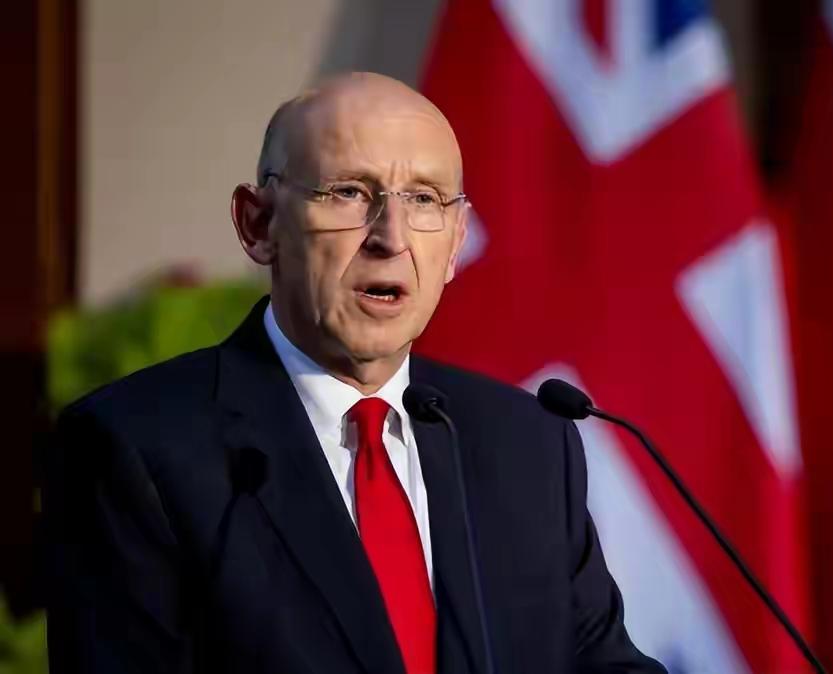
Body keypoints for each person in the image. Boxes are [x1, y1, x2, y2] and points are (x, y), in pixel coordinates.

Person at [45, 72, 664, 674]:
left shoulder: (527, 442)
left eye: (424, 199)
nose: (390, 237)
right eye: (348, 193)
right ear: (258, 225)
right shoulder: (136, 448)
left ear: (455, 243)